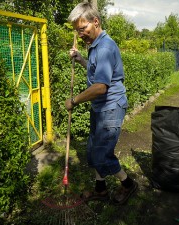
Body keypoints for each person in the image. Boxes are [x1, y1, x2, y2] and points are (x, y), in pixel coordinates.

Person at [65, 2, 138, 205]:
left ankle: (128, 184)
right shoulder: (95, 45)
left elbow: (100, 87)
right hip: (100, 107)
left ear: (95, 22)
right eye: (77, 31)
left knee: (101, 154)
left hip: (110, 107)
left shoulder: (104, 47)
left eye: (83, 29)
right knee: (93, 150)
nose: (80, 34)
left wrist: (74, 100)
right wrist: (81, 59)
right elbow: (97, 71)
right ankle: (101, 190)